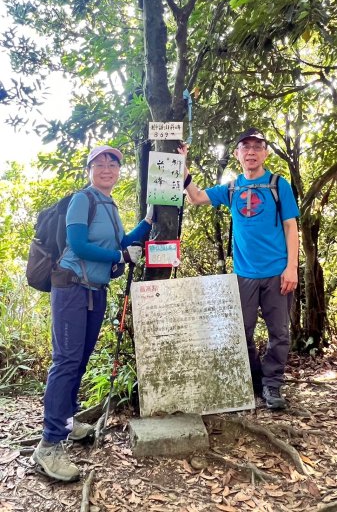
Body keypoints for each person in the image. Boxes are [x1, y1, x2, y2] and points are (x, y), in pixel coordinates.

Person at [32, 145, 153, 481]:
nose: (106, 168)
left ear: (118, 171)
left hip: (94, 292)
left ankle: (67, 423)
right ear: (89, 169)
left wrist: (146, 222)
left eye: (112, 163)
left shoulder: (110, 206)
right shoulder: (82, 200)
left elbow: (122, 241)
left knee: (80, 361)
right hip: (71, 287)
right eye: (99, 163)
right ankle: (49, 444)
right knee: (66, 361)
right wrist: (120, 256)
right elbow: (80, 245)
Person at [178, 128, 299, 411]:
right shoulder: (232, 189)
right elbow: (195, 197)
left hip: (277, 272)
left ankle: (273, 384)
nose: (251, 152)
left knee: (279, 333)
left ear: (265, 153)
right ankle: (256, 380)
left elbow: (291, 226)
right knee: (241, 332)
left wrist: (291, 267)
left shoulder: (278, 184)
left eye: (257, 147)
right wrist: (182, 163)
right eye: (246, 147)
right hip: (244, 274)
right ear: (237, 154)